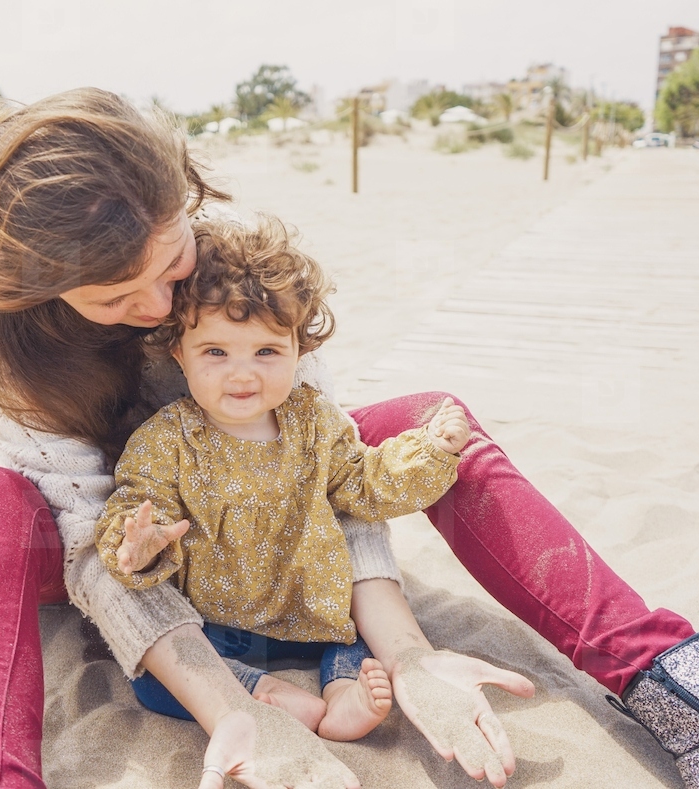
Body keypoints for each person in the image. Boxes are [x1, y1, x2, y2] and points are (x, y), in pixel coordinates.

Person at [0, 87, 699, 789]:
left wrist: (410, 654)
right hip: (134, 559)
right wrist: (233, 709)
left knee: (432, 418)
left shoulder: (230, 266)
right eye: (118, 300)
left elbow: (327, 463)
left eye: (171, 263)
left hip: (270, 515)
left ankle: (679, 681)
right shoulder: (9, 355)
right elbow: (94, 557)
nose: (159, 308)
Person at [94, 214, 476, 744]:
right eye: (216, 352)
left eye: (267, 351)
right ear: (179, 353)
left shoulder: (314, 420)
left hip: (316, 615)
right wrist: (139, 543)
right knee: (156, 677)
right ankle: (265, 691)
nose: (243, 373)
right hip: (220, 626)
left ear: (300, 349)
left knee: (361, 640)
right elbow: (137, 502)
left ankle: (343, 693)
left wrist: (429, 451)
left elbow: (364, 484)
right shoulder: (166, 439)